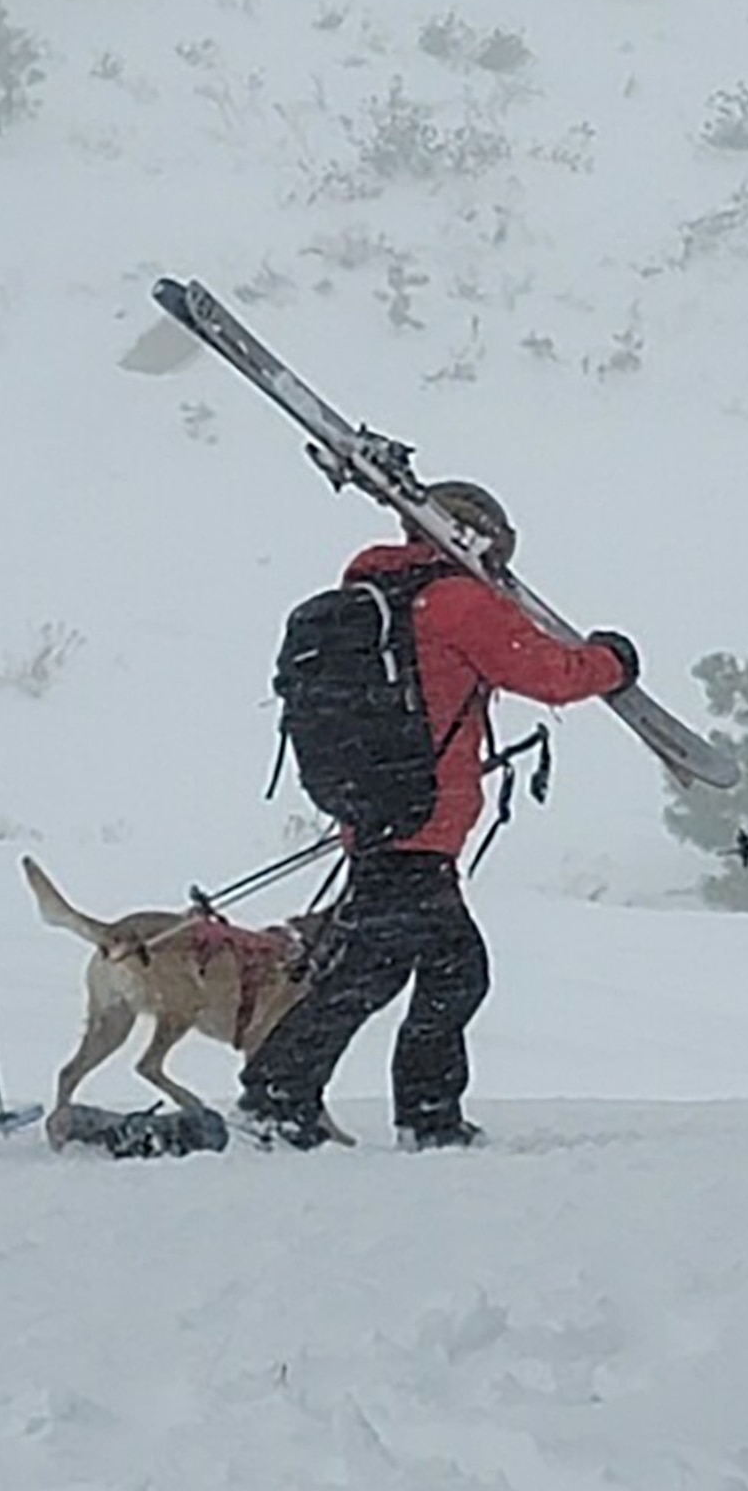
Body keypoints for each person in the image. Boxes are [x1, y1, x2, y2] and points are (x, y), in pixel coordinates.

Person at [233, 480, 638, 1151]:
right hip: (418, 825)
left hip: (381, 818)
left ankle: (295, 1099)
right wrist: (614, 661)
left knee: (375, 970)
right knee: (452, 970)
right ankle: (393, 1114)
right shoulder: (455, 603)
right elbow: (550, 672)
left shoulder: (387, 600)